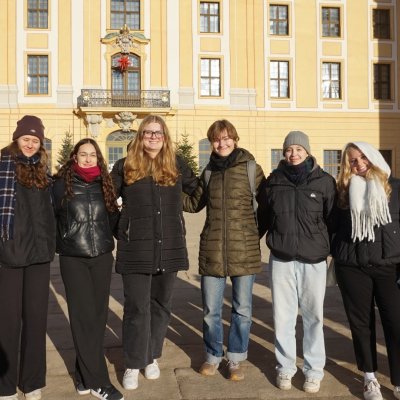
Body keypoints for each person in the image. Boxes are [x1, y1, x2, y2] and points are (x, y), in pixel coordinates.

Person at [110, 115, 198, 391]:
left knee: (160, 304)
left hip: (168, 246)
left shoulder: (176, 164)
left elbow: (198, 191)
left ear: (165, 136)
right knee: (137, 307)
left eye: (158, 133)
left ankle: (151, 356)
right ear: (140, 136)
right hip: (136, 248)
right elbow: (107, 198)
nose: (153, 137)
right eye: (148, 132)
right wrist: (121, 227)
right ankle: (133, 362)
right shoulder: (125, 165)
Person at [183, 119, 266, 381]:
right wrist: (166, 189)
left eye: (227, 137)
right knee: (211, 311)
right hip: (212, 250)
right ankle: (212, 356)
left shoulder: (252, 169)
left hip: (245, 250)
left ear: (235, 139)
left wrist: (253, 234)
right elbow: (193, 203)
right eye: (217, 139)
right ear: (212, 143)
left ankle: (236, 358)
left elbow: (267, 205)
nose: (222, 143)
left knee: (242, 310)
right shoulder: (208, 172)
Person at [258, 130, 336, 394]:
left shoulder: (324, 182)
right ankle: (285, 367)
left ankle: (313, 371)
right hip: (281, 258)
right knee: (283, 316)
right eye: (289, 150)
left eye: (298, 149)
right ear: (284, 153)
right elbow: (264, 217)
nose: (293, 154)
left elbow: (332, 220)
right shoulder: (273, 182)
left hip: (313, 260)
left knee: (314, 317)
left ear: (307, 152)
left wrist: (331, 252)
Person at [53, 139, 123, 400]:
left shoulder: (105, 183)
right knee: (84, 319)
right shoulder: (61, 184)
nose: (88, 158)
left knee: (97, 318)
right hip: (74, 259)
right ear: (75, 157)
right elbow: (50, 217)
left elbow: (113, 218)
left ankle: (83, 376)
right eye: (83, 154)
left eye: (92, 154)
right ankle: (99, 382)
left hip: (102, 257)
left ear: (98, 158)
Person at [331, 142, 400, 400]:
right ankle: (369, 377)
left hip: (388, 266)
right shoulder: (342, 191)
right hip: (353, 267)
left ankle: (398, 380)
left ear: (373, 157)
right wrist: (338, 251)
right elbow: (332, 227)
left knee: (395, 322)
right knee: (361, 324)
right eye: (352, 160)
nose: (359, 164)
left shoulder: (395, 187)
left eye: (363, 158)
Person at [0, 116, 56, 400]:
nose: (30, 144)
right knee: (7, 323)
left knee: (36, 321)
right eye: (26, 139)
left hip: (39, 255)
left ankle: (32, 382)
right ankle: (5, 384)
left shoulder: (43, 171)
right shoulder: (3, 165)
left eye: (35, 140)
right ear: (17, 139)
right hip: (9, 254)